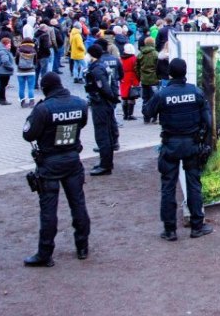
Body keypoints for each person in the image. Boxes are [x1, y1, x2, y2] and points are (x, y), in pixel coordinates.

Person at [21, 72, 91, 266]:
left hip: (49, 163)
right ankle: (82, 247)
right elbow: (82, 124)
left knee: (48, 210)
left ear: (45, 88)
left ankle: (45, 253)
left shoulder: (43, 109)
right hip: (72, 159)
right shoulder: (80, 103)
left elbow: (28, 134)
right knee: (78, 204)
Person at [143, 57, 214, 239]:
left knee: (168, 187)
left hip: (170, 145)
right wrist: (204, 143)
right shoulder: (196, 92)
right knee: (194, 185)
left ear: (169, 73)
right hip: (191, 145)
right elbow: (207, 121)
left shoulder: (162, 94)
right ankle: (197, 227)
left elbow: (147, 112)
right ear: (185, 72)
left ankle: (170, 230)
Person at [84, 42, 122, 175]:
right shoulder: (101, 65)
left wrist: (111, 98)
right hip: (104, 103)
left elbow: (103, 87)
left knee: (102, 134)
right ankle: (105, 162)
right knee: (106, 133)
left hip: (101, 104)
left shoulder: (97, 69)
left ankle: (105, 165)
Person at [137, 36, 160, 123]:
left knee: (145, 98)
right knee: (154, 98)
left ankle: (146, 117)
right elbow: (158, 67)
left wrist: (140, 76)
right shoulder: (155, 54)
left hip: (144, 80)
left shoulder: (140, 54)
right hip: (154, 80)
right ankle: (154, 117)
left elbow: (137, 67)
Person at [119, 43, 141, 120]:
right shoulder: (133, 58)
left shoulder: (121, 58)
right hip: (132, 78)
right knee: (132, 96)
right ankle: (130, 114)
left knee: (124, 96)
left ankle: (125, 114)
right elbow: (136, 69)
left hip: (123, 77)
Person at [0, 36, 16, 105]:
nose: (10, 45)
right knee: (3, 85)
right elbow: (5, 61)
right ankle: (2, 100)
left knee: (2, 85)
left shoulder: (1, 50)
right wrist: (11, 67)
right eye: (9, 44)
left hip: (0, 71)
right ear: (5, 44)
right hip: (3, 71)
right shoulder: (3, 51)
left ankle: (0, 99)